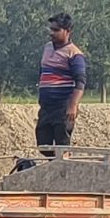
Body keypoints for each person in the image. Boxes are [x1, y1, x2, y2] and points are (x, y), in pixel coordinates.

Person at [35, 15, 87, 148]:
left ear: (68, 31)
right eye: (51, 29)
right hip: (46, 107)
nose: (52, 33)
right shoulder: (47, 48)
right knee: (43, 145)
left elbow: (80, 82)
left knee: (62, 146)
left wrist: (73, 105)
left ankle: (64, 167)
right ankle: (55, 165)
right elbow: (43, 71)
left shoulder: (74, 54)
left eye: (56, 30)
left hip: (62, 108)